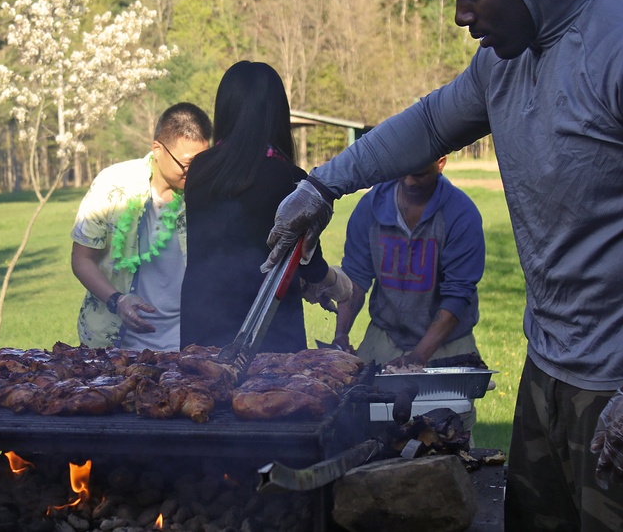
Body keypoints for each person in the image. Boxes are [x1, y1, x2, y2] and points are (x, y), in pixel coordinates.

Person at [264, 0, 623, 531]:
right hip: (549, 366)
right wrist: (321, 187)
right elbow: (429, 123)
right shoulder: (502, 62)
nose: (463, 16)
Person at [180, 61, 352, 354]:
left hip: (201, 327)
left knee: (200, 395)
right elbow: (310, 266)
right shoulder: (289, 180)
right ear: (276, 114)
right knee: (267, 399)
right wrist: (340, 285)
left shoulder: (199, 171)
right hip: (266, 337)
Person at [72, 103, 212, 350]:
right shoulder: (113, 184)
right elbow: (82, 259)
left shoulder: (209, 193)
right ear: (157, 148)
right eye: (188, 164)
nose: (197, 172)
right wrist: (118, 300)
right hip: (113, 344)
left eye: (204, 162)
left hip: (185, 344)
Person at [333, 155, 485, 368]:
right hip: (384, 337)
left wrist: (418, 357)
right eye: (402, 172)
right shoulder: (371, 207)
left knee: (444, 404)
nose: (409, 181)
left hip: (448, 343)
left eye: (420, 174)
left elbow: (457, 295)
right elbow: (356, 276)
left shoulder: (461, 215)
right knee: (362, 399)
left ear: (440, 163)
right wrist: (341, 334)